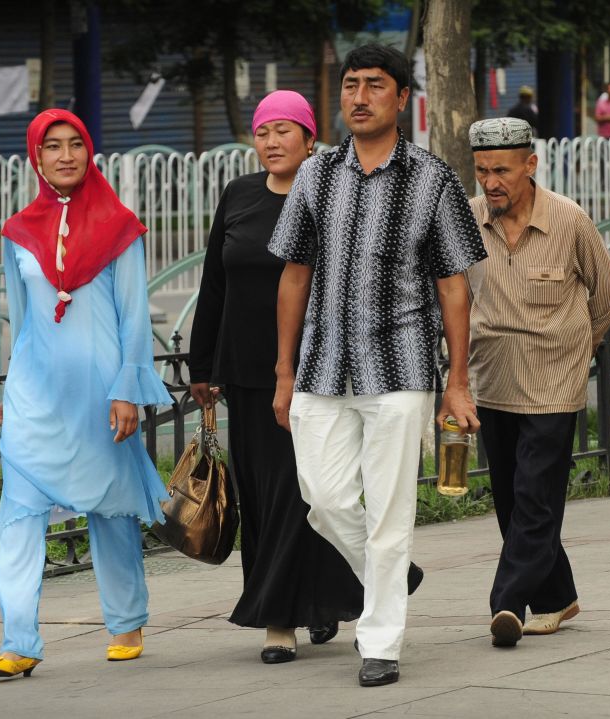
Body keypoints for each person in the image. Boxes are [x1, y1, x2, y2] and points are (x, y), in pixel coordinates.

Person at [268, 43, 486, 688]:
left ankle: (380, 639)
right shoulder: (316, 174)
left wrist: (457, 381)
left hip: (401, 367)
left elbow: (453, 283)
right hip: (321, 367)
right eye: (351, 85)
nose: (359, 97)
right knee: (324, 497)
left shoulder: (432, 178)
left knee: (391, 514)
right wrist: (284, 372)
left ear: (401, 98)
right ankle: (388, 573)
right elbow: (293, 275)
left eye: (375, 85)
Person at [0, 109, 171, 679]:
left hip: (100, 393)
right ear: (35, 158)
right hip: (37, 394)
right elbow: (21, 318)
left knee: (111, 508)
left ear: (90, 154)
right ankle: (19, 642)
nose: (65, 156)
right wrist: (12, 388)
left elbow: (134, 316)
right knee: (19, 513)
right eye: (52, 147)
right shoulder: (17, 232)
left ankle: (127, 622)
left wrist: (128, 390)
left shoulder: (119, 226)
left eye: (75, 145)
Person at [188, 90, 364, 665]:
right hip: (246, 373)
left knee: (307, 491)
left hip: (316, 369)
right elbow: (215, 281)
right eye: (263, 132)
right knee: (266, 497)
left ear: (311, 138)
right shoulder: (239, 194)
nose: (271, 142)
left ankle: (280, 618)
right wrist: (202, 367)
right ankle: (309, 603)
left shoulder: (333, 193)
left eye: (284, 131)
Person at [466, 117, 610, 648]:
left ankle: (506, 602)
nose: (492, 183)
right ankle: (557, 596)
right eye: (484, 170)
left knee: (535, 496)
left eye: (503, 171)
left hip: (554, 384)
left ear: (530, 166)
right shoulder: (469, 220)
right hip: (493, 380)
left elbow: (608, 296)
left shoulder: (570, 222)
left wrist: (577, 351)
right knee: (511, 500)